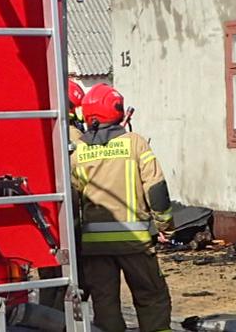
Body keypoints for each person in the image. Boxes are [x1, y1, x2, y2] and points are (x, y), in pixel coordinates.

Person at [72, 86, 173, 332]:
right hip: (134, 242)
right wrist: (166, 228)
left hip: (95, 246)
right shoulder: (135, 143)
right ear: (116, 110)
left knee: (105, 305)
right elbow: (156, 189)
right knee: (151, 298)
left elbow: (73, 203)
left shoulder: (78, 152)